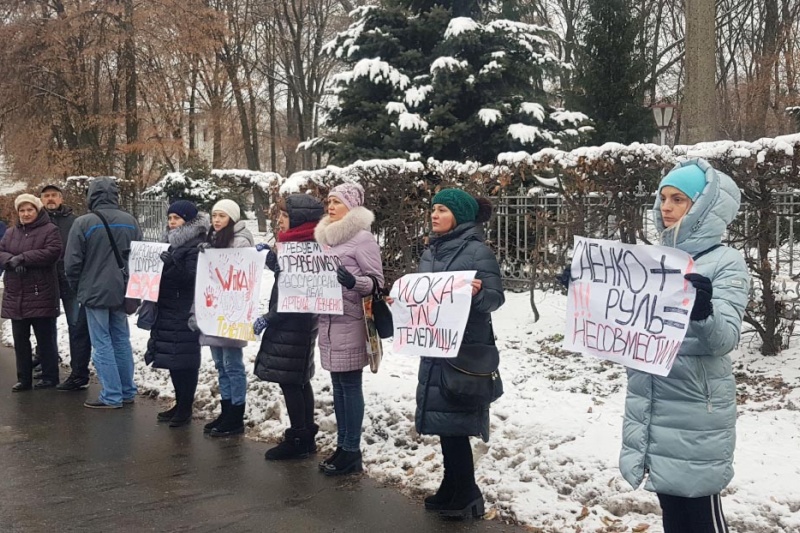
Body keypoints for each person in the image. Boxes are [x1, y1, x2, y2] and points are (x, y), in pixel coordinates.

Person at [618, 160, 750, 533]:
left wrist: (703, 310)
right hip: (653, 404)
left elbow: (725, 338)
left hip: (695, 409)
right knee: (674, 516)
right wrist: (585, 291)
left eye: (679, 199)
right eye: (663, 198)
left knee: (699, 518)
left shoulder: (725, 262)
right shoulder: (653, 261)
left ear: (704, 206)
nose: (666, 207)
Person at [394, 189, 505, 519]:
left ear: (458, 215)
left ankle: (467, 491)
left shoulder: (476, 252)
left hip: (464, 351)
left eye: (441, 209)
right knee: (444, 424)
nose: (434, 215)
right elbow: (426, 296)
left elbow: (495, 299)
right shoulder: (431, 250)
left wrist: (478, 293)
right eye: (433, 209)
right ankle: (452, 484)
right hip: (435, 347)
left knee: (456, 424)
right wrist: (401, 302)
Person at [314, 183, 383, 476]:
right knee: (338, 388)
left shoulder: (362, 238)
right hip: (328, 323)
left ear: (351, 207)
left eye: (337, 202)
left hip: (352, 322)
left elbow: (377, 282)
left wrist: (354, 282)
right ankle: (342, 447)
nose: (331, 206)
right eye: (329, 201)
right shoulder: (324, 240)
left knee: (351, 386)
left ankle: (352, 451)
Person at [253, 194, 324, 460]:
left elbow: (293, 297)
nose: (279, 220)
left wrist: (267, 319)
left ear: (299, 219)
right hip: (299, 324)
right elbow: (288, 278)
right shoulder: (301, 243)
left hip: (293, 324)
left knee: (291, 382)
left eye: (284, 216)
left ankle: (298, 438)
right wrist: (272, 260)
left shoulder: (303, 247)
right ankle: (304, 436)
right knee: (299, 380)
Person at [65, 177, 143, 409]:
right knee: (121, 339)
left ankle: (111, 395)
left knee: (102, 343)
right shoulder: (130, 221)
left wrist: (78, 287)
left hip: (95, 290)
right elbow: (138, 257)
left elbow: (72, 263)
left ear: (91, 196)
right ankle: (127, 391)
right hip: (123, 289)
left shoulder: (83, 223)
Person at [145, 201, 209, 427]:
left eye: (177, 218)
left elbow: (193, 278)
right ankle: (179, 403)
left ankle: (185, 408)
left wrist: (173, 264)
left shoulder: (197, 244)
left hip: (184, 310)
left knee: (185, 361)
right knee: (173, 360)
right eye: (170, 218)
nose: (172, 222)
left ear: (188, 221)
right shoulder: (170, 243)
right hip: (168, 307)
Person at [194, 199, 254, 437]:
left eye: (222, 216)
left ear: (232, 218)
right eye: (214, 215)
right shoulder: (213, 239)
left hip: (231, 312)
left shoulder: (240, 240)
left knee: (232, 364)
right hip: (214, 308)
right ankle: (226, 409)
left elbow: (239, 273)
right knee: (220, 364)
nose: (217, 220)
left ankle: (236, 413)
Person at [0, 194, 62, 391]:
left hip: (40, 292)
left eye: (30, 210)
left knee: (45, 338)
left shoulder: (50, 229)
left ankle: (50, 376)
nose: (26, 214)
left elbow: (53, 251)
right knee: (20, 339)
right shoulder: (10, 233)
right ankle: (24, 378)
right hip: (16, 293)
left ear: (37, 210)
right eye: (22, 210)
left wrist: (24, 258)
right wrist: (10, 260)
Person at [38, 184, 94, 392]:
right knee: (44, 327)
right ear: (41, 200)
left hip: (70, 282)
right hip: (44, 281)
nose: (50, 199)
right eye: (46, 196)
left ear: (61, 198)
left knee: (76, 326)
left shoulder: (75, 221)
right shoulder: (36, 221)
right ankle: (47, 366)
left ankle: (79, 372)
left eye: (54, 195)